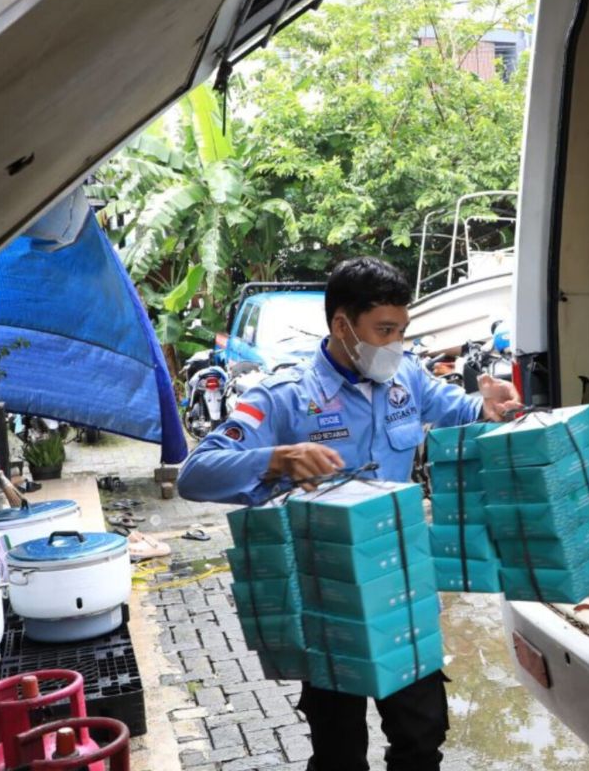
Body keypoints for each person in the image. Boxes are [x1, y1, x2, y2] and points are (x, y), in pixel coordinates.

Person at [178, 256, 520, 771]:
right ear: (342, 325)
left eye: (402, 331)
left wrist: (485, 407)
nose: (395, 344)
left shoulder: (406, 375)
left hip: (401, 584)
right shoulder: (283, 396)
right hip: (328, 592)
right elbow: (195, 474)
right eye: (384, 330)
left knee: (421, 732)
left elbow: (456, 409)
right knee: (339, 748)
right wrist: (277, 458)